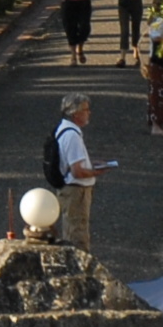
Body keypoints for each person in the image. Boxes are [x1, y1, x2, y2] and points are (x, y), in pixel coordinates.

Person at [52, 95, 110, 251]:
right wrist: (96, 172)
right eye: (85, 109)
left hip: (70, 190)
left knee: (73, 231)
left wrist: (91, 164)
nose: (89, 113)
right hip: (76, 192)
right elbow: (77, 172)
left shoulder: (64, 130)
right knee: (77, 237)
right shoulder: (72, 136)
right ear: (75, 113)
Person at [142, 16, 163, 135]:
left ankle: (159, 124)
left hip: (162, 60)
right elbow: (156, 37)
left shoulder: (161, 21)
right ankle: (156, 125)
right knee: (158, 93)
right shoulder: (159, 21)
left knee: (162, 93)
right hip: (159, 61)